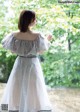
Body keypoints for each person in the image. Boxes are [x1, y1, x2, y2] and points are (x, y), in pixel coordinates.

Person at [0, 10, 53, 112]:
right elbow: (41, 51)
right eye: (35, 18)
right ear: (31, 20)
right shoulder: (38, 36)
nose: (36, 20)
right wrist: (48, 39)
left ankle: (12, 108)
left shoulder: (13, 35)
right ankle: (32, 108)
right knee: (33, 86)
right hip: (32, 63)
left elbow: (12, 51)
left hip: (20, 62)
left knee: (16, 85)